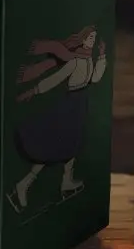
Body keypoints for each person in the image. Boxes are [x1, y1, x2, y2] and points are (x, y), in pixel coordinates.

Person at [9, 26, 107, 212]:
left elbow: (94, 79)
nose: (92, 41)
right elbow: (56, 78)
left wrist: (102, 57)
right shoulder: (75, 60)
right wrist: (34, 91)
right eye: (89, 38)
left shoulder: (88, 59)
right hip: (70, 105)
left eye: (94, 38)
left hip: (80, 104)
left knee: (72, 143)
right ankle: (25, 184)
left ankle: (66, 181)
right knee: (55, 144)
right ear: (82, 39)